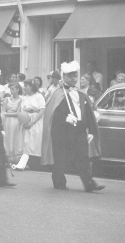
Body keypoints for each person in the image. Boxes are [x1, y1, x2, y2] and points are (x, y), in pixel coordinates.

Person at [41, 61, 103, 192]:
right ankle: (59, 181)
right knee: (60, 157)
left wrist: (91, 130)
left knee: (83, 157)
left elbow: (88, 114)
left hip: (79, 130)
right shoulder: (57, 93)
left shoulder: (81, 93)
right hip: (62, 131)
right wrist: (65, 118)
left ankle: (89, 184)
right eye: (70, 76)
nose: (73, 78)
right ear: (64, 77)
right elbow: (51, 115)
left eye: (75, 76)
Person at [19, 79, 45, 168]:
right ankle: (26, 162)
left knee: (35, 141)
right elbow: (22, 110)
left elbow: (42, 111)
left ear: (32, 87)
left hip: (36, 121)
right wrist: (25, 121)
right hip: (27, 121)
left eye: (26, 86)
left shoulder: (39, 96)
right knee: (26, 141)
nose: (24, 88)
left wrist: (33, 122)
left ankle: (36, 164)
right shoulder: (24, 98)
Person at [2, 82, 23, 166]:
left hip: (15, 121)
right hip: (6, 121)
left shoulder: (21, 100)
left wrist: (6, 114)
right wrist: (5, 114)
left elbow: (18, 113)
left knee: (14, 138)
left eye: (13, 89)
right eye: (10, 89)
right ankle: (6, 157)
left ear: (18, 89)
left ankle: (13, 158)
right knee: (6, 137)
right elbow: (3, 110)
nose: (11, 91)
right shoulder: (6, 99)